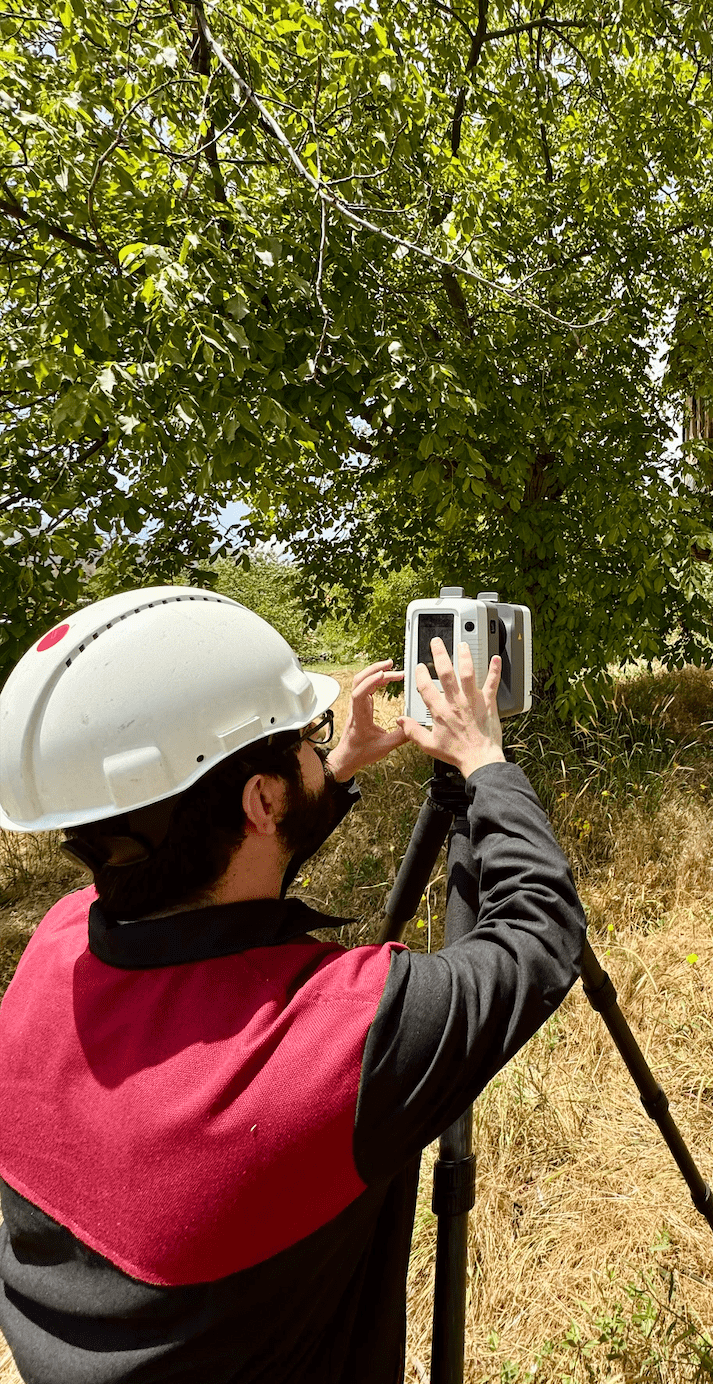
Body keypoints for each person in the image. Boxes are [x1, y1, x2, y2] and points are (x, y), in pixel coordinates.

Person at [0, 585, 585, 1382]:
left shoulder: (53, 951)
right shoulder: (335, 1041)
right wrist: (485, 762)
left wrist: (323, 776)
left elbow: (207, 894)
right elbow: (538, 937)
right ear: (261, 799)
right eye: (309, 736)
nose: (322, 742)